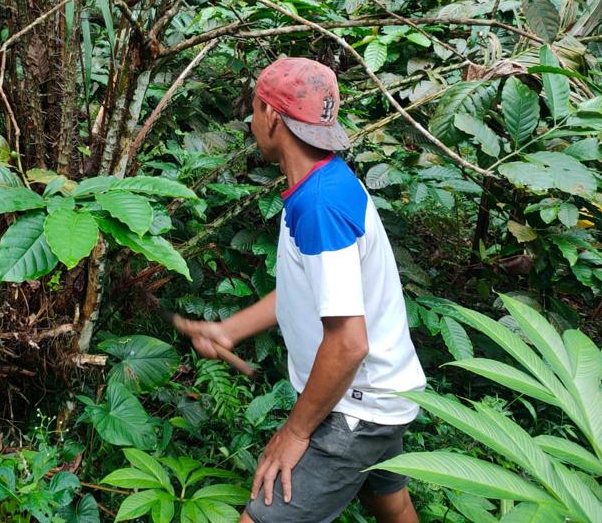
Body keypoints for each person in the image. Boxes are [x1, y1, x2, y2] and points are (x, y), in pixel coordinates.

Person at [181, 57, 425, 523]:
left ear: (272, 116)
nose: (252, 120)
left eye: (254, 108)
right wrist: (229, 330)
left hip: (358, 405)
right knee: (390, 504)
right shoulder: (323, 183)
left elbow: (349, 344)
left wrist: (293, 433)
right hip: (379, 393)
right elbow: (315, 294)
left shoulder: (320, 205)